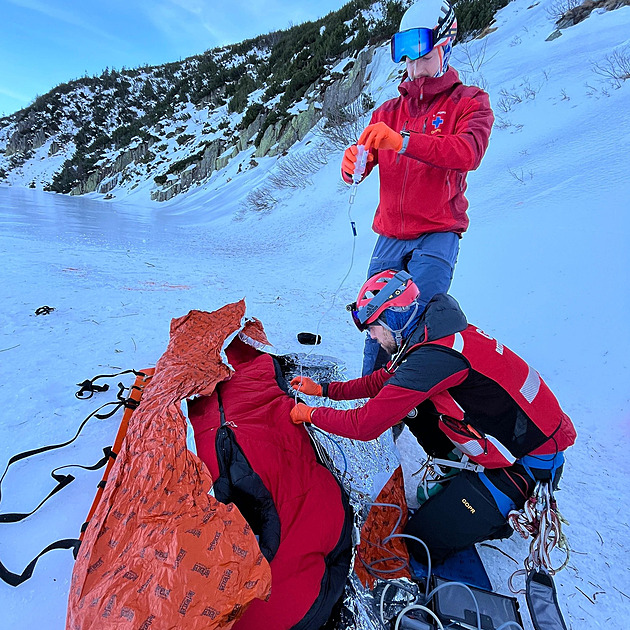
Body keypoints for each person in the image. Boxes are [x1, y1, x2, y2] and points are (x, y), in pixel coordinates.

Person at [289, 270, 576, 564]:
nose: (372, 336)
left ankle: (497, 515)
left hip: (528, 462)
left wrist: (310, 414)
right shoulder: (429, 331)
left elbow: (365, 425)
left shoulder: (432, 358)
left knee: (419, 543)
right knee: (410, 402)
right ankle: (455, 469)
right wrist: (324, 390)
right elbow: (380, 383)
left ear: (392, 319)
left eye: (373, 328)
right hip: (515, 432)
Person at [341, 0, 495, 374]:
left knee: (418, 323)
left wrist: (404, 141)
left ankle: (415, 404)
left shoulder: (471, 102)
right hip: (390, 235)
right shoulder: (387, 112)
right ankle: (375, 411)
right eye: (407, 61)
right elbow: (365, 164)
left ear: (445, 48)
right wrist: (352, 167)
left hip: (438, 233)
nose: (414, 69)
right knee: (376, 324)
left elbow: (467, 152)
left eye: (422, 58)